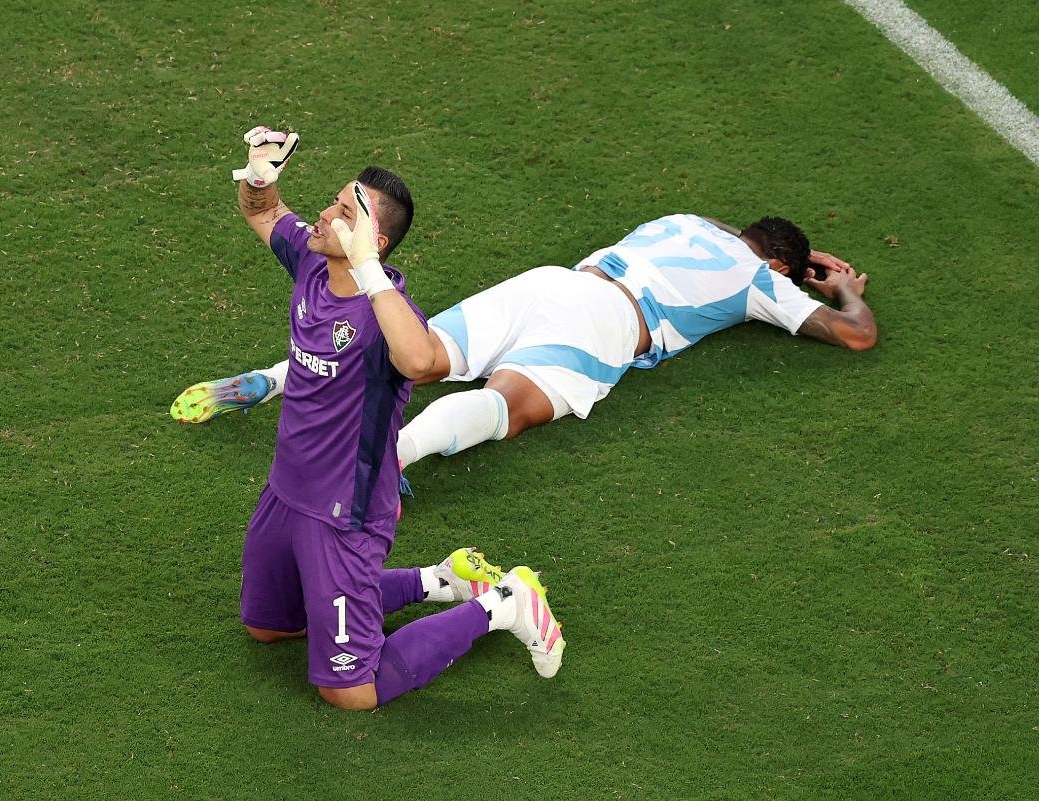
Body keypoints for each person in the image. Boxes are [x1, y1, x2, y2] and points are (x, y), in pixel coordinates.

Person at [225, 125, 565, 711]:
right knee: (270, 627)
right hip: (286, 495)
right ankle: (440, 579)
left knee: (350, 692)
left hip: (344, 515)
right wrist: (260, 174)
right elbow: (264, 211)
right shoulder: (311, 262)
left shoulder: (390, 315)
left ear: (373, 241)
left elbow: (421, 360)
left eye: (344, 211)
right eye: (335, 201)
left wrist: (368, 271)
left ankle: (504, 605)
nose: (326, 214)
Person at [173, 207, 877, 475]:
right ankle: (391, 456)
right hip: (606, 324)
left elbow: (733, 230)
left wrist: (800, 257)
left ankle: (272, 377)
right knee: (507, 404)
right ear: (781, 264)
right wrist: (841, 285)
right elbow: (855, 335)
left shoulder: (689, 220)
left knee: (416, 353)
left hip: (551, 284)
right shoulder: (762, 278)